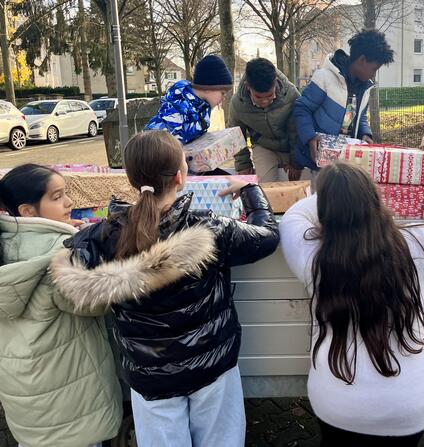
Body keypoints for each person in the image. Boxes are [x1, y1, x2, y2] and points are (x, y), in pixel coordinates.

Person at [49, 130, 280, 447]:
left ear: (131, 180)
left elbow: (72, 258)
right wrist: (251, 191)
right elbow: (267, 235)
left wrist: (69, 231)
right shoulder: (210, 229)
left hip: (149, 378)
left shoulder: (101, 237)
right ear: (181, 176)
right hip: (212, 369)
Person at [278, 162, 424, 446]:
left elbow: (292, 218)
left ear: (325, 212)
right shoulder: (417, 247)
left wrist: (331, 195)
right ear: (374, 201)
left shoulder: (312, 255)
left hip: (338, 407)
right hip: (409, 410)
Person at [0, 164, 122, 447]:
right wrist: (88, 249)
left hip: (26, 398)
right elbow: (97, 303)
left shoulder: (7, 244)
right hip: (71, 400)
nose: (69, 203)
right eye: (57, 197)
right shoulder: (59, 254)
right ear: (27, 211)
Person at [293, 30, 394, 171]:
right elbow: (301, 108)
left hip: (342, 163)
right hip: (314, 162)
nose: (374, 74)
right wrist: (310, 137)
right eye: (374, 68)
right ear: (362, 60)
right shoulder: (324, 77)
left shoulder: (363, 88)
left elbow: (359, 117)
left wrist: (365, 134)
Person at [230, 58, 306, 182]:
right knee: (265, 185)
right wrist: (243, 165)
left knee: (300, 182)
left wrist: (296, 162)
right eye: (258, 97)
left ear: (275, 83)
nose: (265, 101)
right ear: (248, 87)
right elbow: (236, 135)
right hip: (263, 147)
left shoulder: (291, 94)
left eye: (270, 95)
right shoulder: (238, 103)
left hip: (290, 146)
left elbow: (296, 132)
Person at [146, 54, 233, 144]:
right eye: (222, 93)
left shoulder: (203, 107)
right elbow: (168, 145)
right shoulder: (177, 106)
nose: (223, 98)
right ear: (208, 88)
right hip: (155, 151)